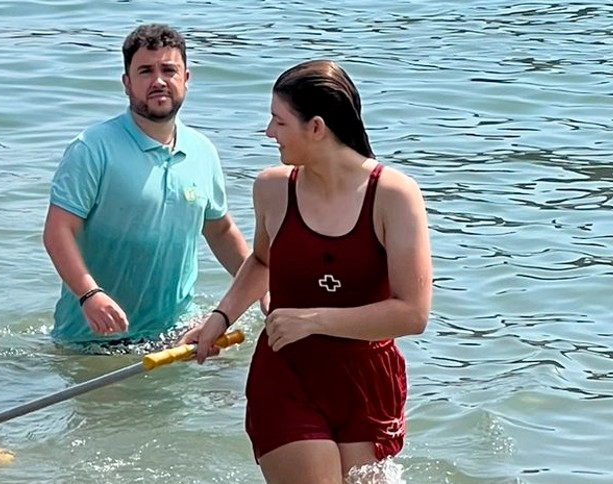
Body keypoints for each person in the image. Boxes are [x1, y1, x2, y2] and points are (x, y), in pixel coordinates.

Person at [180, 60, 431, 481]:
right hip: (286, 372)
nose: (268, 132)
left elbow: (413, 313)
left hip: (366, 380)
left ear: (317, 127)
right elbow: (262, 261)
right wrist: (219, 319)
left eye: (279, 121)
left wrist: (313, 320)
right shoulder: (272, 188)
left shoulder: (394, 195)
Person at [43, 24, 255, 351]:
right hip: (93, 342)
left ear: (186, 78)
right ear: (127, 83)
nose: (158, 80)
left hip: (177, 335)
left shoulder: (202, 151)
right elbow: (58, 231)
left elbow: (220, 230)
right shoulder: (92, 148)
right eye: (145, 71)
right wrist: (89, 294)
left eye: (168, 69)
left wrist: (265, 289)